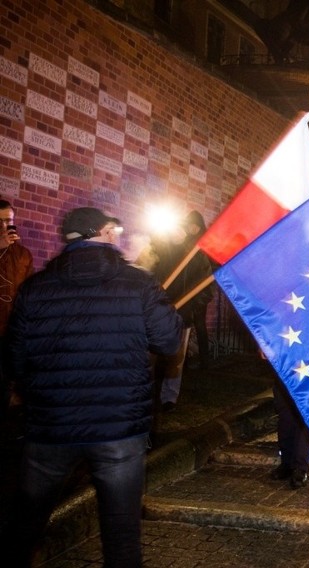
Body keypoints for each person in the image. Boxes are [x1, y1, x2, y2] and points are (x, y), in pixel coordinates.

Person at [4, 207, 182, 567]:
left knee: (25, 526)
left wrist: (40, 389)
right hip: (117, 427)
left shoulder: (35, 288)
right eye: (112, 229)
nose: (117, 234)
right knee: (121, 534)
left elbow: (13, 360)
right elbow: (168, 341)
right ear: (99, 232)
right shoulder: (138, 283)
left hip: (50, 427)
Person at [141, 212, 213, 412]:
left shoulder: (197, 256)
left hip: (181, 316)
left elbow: (207, 289)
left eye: (181, 229)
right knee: (149, 357)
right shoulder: (159, 250)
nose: (177, 233)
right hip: (154, 313)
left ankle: (169, 397)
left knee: (176, 359)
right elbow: (144, 274)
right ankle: (146, 394)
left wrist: (188, 307)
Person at [0, 198, 33, 414]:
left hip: (10, 331)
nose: (5, 226)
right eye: (0, 222)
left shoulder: (22, 254)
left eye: (8, 221)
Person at [183, 211, 214, 370]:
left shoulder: (205, 242)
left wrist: (205, 293)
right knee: (185, 325)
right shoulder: (184, 243)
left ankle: (205, 361)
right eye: (189, 225)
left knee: (200, 325)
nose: (192, 228)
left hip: (200, 290)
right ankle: (184, 360)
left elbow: (211, 267)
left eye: (195, 225)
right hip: (185, 290)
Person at [271, 378, 309, 489]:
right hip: (284, 368)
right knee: (285, 416)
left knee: (305, 417)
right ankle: (287, 462)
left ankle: (301, 468)